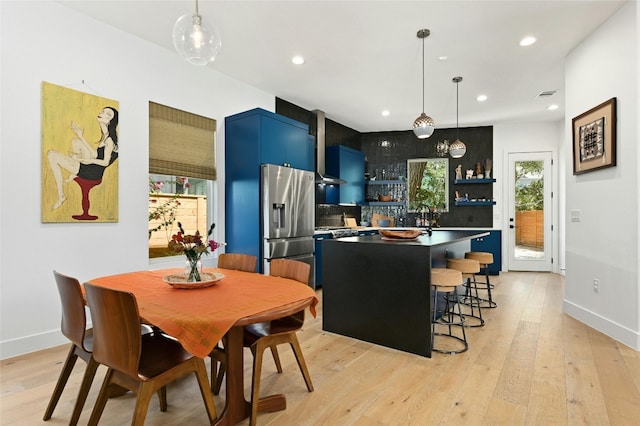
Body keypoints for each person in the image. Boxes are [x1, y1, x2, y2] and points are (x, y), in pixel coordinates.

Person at [47, 106, 119, 210]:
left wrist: (83, 160)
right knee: (76, 141)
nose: (102, 113)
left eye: (107, 114)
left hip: (92, 173)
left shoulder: (109, 140)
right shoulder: (105, 135)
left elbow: (105, 162)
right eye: (103, 111)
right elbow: (95, 154)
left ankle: (61, 195)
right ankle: (75, 170)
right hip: (93, 167)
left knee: (51, 154)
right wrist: (80, 135)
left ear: (110, 121)